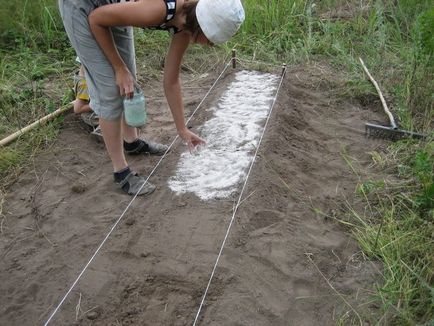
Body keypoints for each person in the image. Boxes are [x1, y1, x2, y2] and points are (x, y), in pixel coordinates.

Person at [58, 0, 245, 196]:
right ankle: (121, 172)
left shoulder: (184, 26)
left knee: (129, 81)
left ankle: (131, 142)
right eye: (210, 39)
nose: (209, 45)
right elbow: (96, 19)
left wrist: (182, 129)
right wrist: (118, 68)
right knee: (110, 92)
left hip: (113, 5)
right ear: (202, 25)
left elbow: (171, 81)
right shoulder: (161, 8)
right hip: (83, 6)